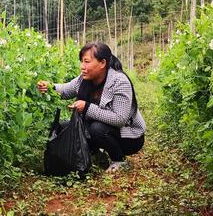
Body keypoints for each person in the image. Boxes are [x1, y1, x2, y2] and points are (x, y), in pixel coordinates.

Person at [37, 42, 146, 173]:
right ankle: (95, 155)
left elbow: (120, 119)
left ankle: (119, 160)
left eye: (87, 61)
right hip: (104, 129)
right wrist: (50, 87)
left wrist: (87, 107)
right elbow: (65, 90)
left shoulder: (119, 81)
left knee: (96, 129)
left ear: (102, 63)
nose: (82, 66)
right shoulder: (84, 79)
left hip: (129, 137)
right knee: (64, 127)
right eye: (82, 61)